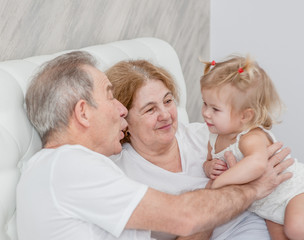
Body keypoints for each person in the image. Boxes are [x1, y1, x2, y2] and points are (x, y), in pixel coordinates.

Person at [16, 51, 292, 240]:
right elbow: (184, 217)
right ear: (83, 113)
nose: (120, 110)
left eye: (168, 101)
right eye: (110, 97)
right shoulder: (66, 166)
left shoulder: (75, 168)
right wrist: (254, 187)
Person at [105, 59, 288, 240]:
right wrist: (227, 194)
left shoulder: (211, 136)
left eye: (168, 101)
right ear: (124, 120)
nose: (166, 115)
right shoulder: (122, 177)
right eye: (150, 109)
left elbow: (274, 177)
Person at [200, 55, 304, 240]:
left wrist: (220, 182)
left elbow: (257, 164)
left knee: (296, 229)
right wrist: (208, 167)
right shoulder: (214, 137)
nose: (206, 113)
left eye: (215, 109)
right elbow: (209, 160)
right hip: (267, 205)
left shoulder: (250, 137)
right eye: (205, 104)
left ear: (245, 116)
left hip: (293, 192)